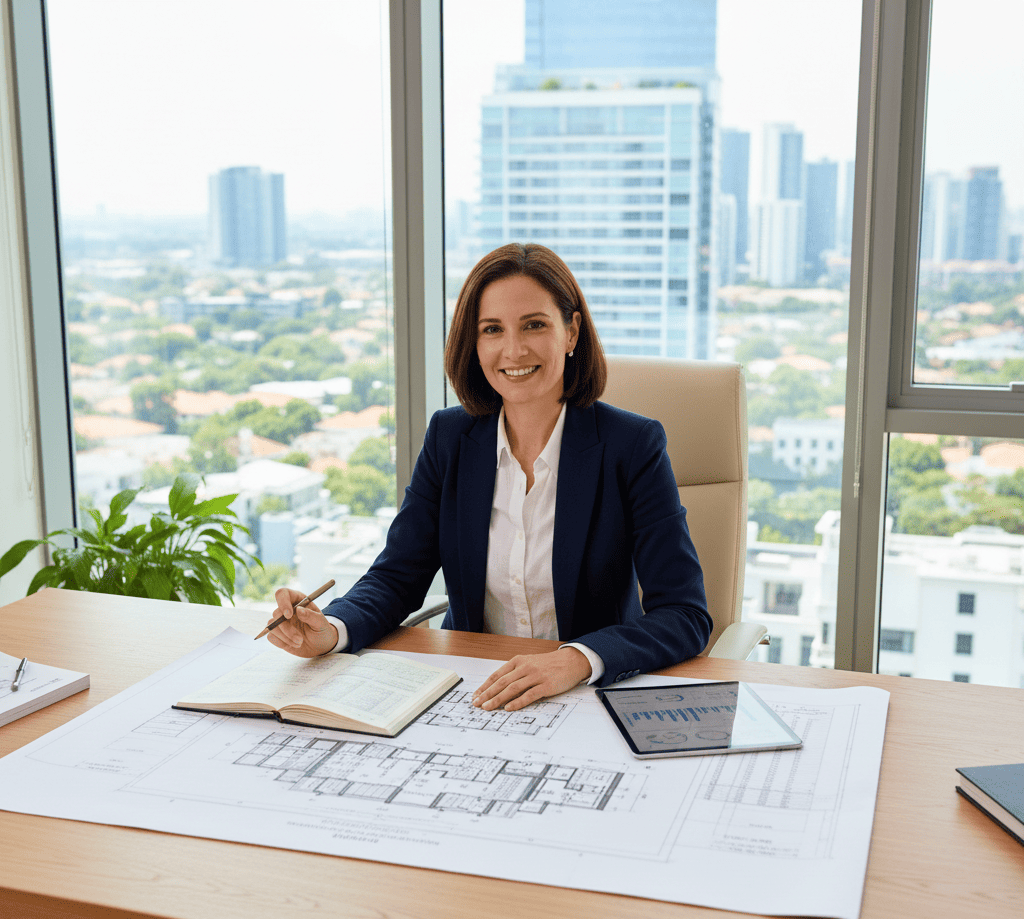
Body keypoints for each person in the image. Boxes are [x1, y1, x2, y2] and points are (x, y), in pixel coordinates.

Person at [267, 243, 711, 712]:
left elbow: (684, 614)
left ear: (571, 331)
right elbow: (398, 576)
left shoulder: (631, 445)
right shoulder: (450, 438)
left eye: (534, 325)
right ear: (475, 344)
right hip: (473, 689)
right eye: (492, 329)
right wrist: (332, 630)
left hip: (584, 695)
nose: (513, 350)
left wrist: (576, 659)